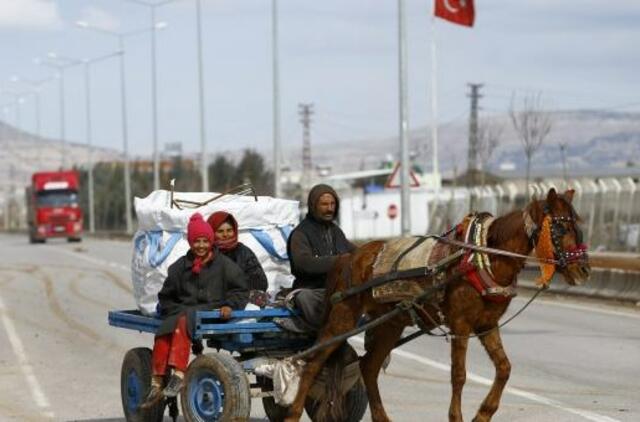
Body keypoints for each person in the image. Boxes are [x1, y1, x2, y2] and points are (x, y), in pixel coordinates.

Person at [141, 213, 249, 408]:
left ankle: (178, 374)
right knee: (164, 332)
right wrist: (175, 309)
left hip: (211, 312)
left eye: (204, 241)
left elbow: (240, 290)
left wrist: (229, 306)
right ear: (190, 242)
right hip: (183, 311)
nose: (200, 245)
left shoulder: (225, 266)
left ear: (210, 241)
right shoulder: (178, 268)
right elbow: (166, 297)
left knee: (184, 321)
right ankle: (156, 382)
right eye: (196, 241)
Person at [286, 184, 356, 330]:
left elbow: (355, 252)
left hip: (338, 289)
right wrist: (338, 261)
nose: (330, 208)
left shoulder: (336, 232)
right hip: (314, 290)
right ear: (313, 206)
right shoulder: (300, 234)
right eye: (324, 204)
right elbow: (303, 263)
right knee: (305, 298)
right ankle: (323, 333)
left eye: (332, 204)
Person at [207, 211, 268, 295]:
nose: (225, 234)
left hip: (241, 299)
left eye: (229, 230)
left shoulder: (243, 252)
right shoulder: (206, 253)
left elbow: (260, 281)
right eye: (220, 231)